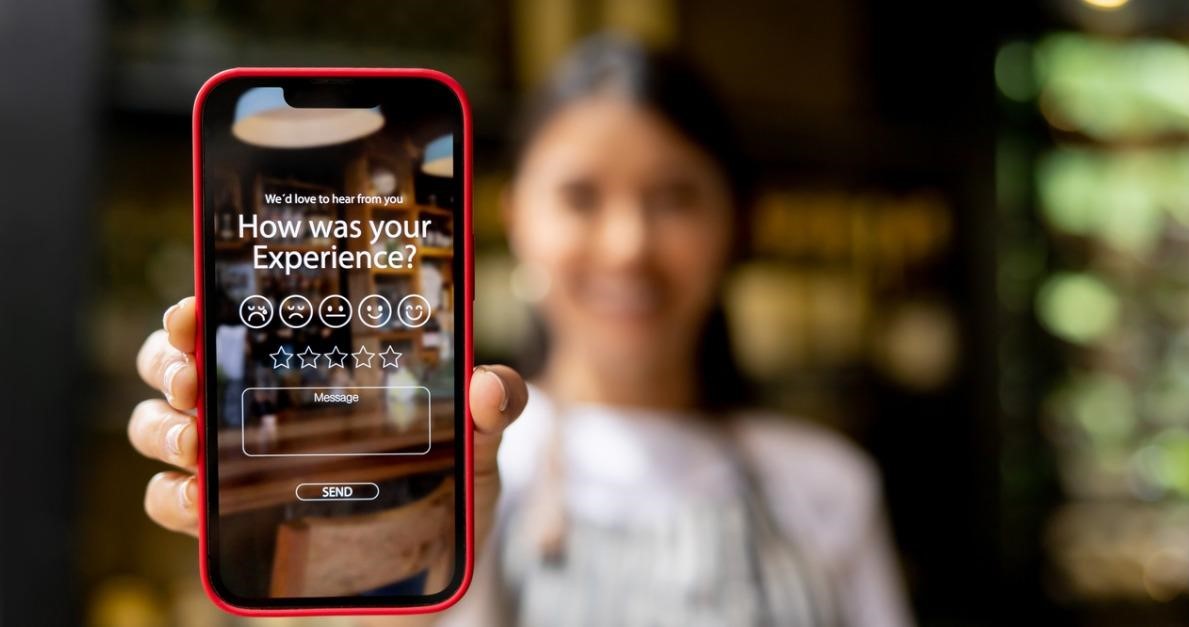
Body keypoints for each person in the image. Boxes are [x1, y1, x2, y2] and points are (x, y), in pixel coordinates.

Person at [130, 34, 913, 627]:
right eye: (580, 196)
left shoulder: (827, 487)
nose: (627, 244)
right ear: (517, 220)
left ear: (736, 223)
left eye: (674, 197)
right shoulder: (455, 466)